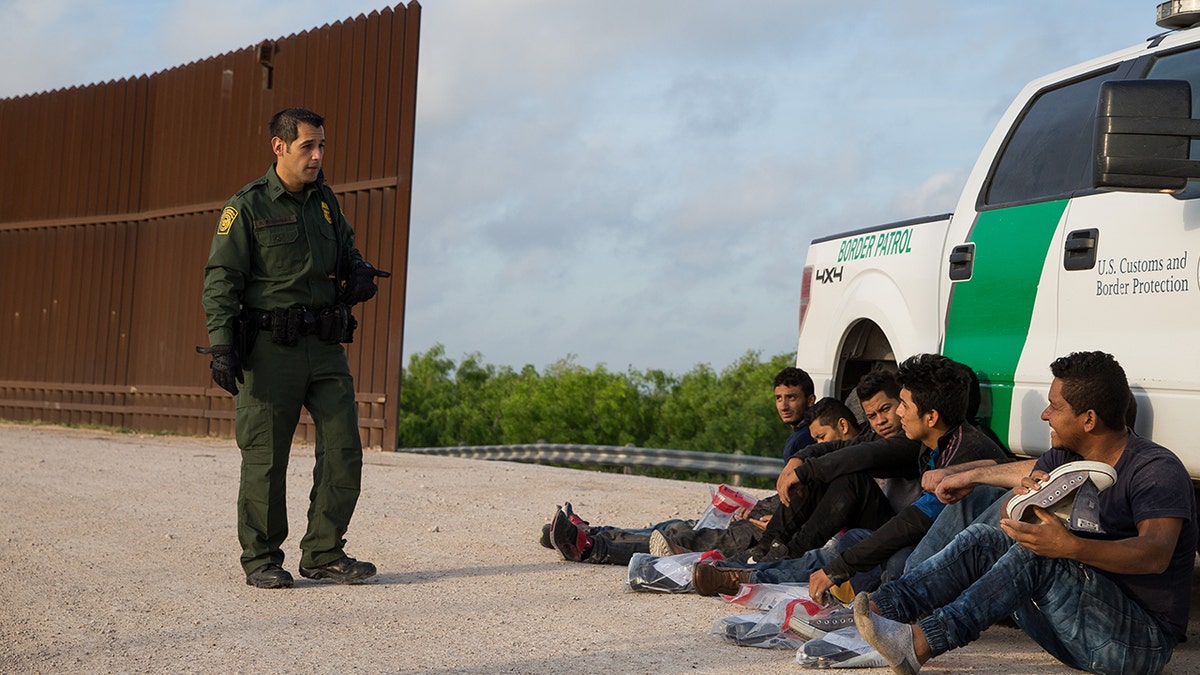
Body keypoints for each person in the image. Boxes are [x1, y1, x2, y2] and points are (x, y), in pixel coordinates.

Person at [854, 351, 1197, 675]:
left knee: (1039, 558)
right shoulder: (1066, 457)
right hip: (1075, 627)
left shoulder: (1154, 469)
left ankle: (920, 643)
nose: (1045, 415)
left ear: (1089, 420)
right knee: (987, 539)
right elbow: (1006, 520)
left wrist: (1070, 547)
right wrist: (1020, 503)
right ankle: (879, 612)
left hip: (1137, 644)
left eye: (1055, 407)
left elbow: (1155, 554)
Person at [201, 107, 385, 589]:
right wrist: (222, 346)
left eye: (322, 146)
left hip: (324, 347)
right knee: (266, 457)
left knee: (344, 448)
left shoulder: (325, 201)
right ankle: (262, 559)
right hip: (269, 350)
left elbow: (347, 248)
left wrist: (359, 269)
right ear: (279, 147)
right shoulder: (247, 206)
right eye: (308, 146)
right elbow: (221, 279)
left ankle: (323, 552)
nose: (318, 156)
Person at [694, 355, 1009, 599]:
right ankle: (757, 570)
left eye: (902, 406)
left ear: (931, 416)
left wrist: (837, 569)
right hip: (915, 537)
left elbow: (911, 523)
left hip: (943, 559)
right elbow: (850, 451)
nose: (897, 414)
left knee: (891, 561)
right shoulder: (936, 441)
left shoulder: (962, 452)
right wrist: (804, 463)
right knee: (854, 538)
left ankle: (868, 604)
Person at [543, 366, 818, 565]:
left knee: (681, 538)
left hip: (771, 533)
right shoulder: (802, 437)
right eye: (779, 398)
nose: (783, 405)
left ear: (810, 401)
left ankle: (590, 546)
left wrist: (772, 519)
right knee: (678, 527)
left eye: (791, 397)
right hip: (770, 518)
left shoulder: (806, 440)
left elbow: (806, 501)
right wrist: (759, 508)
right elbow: (794, 495)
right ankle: (593, 533)